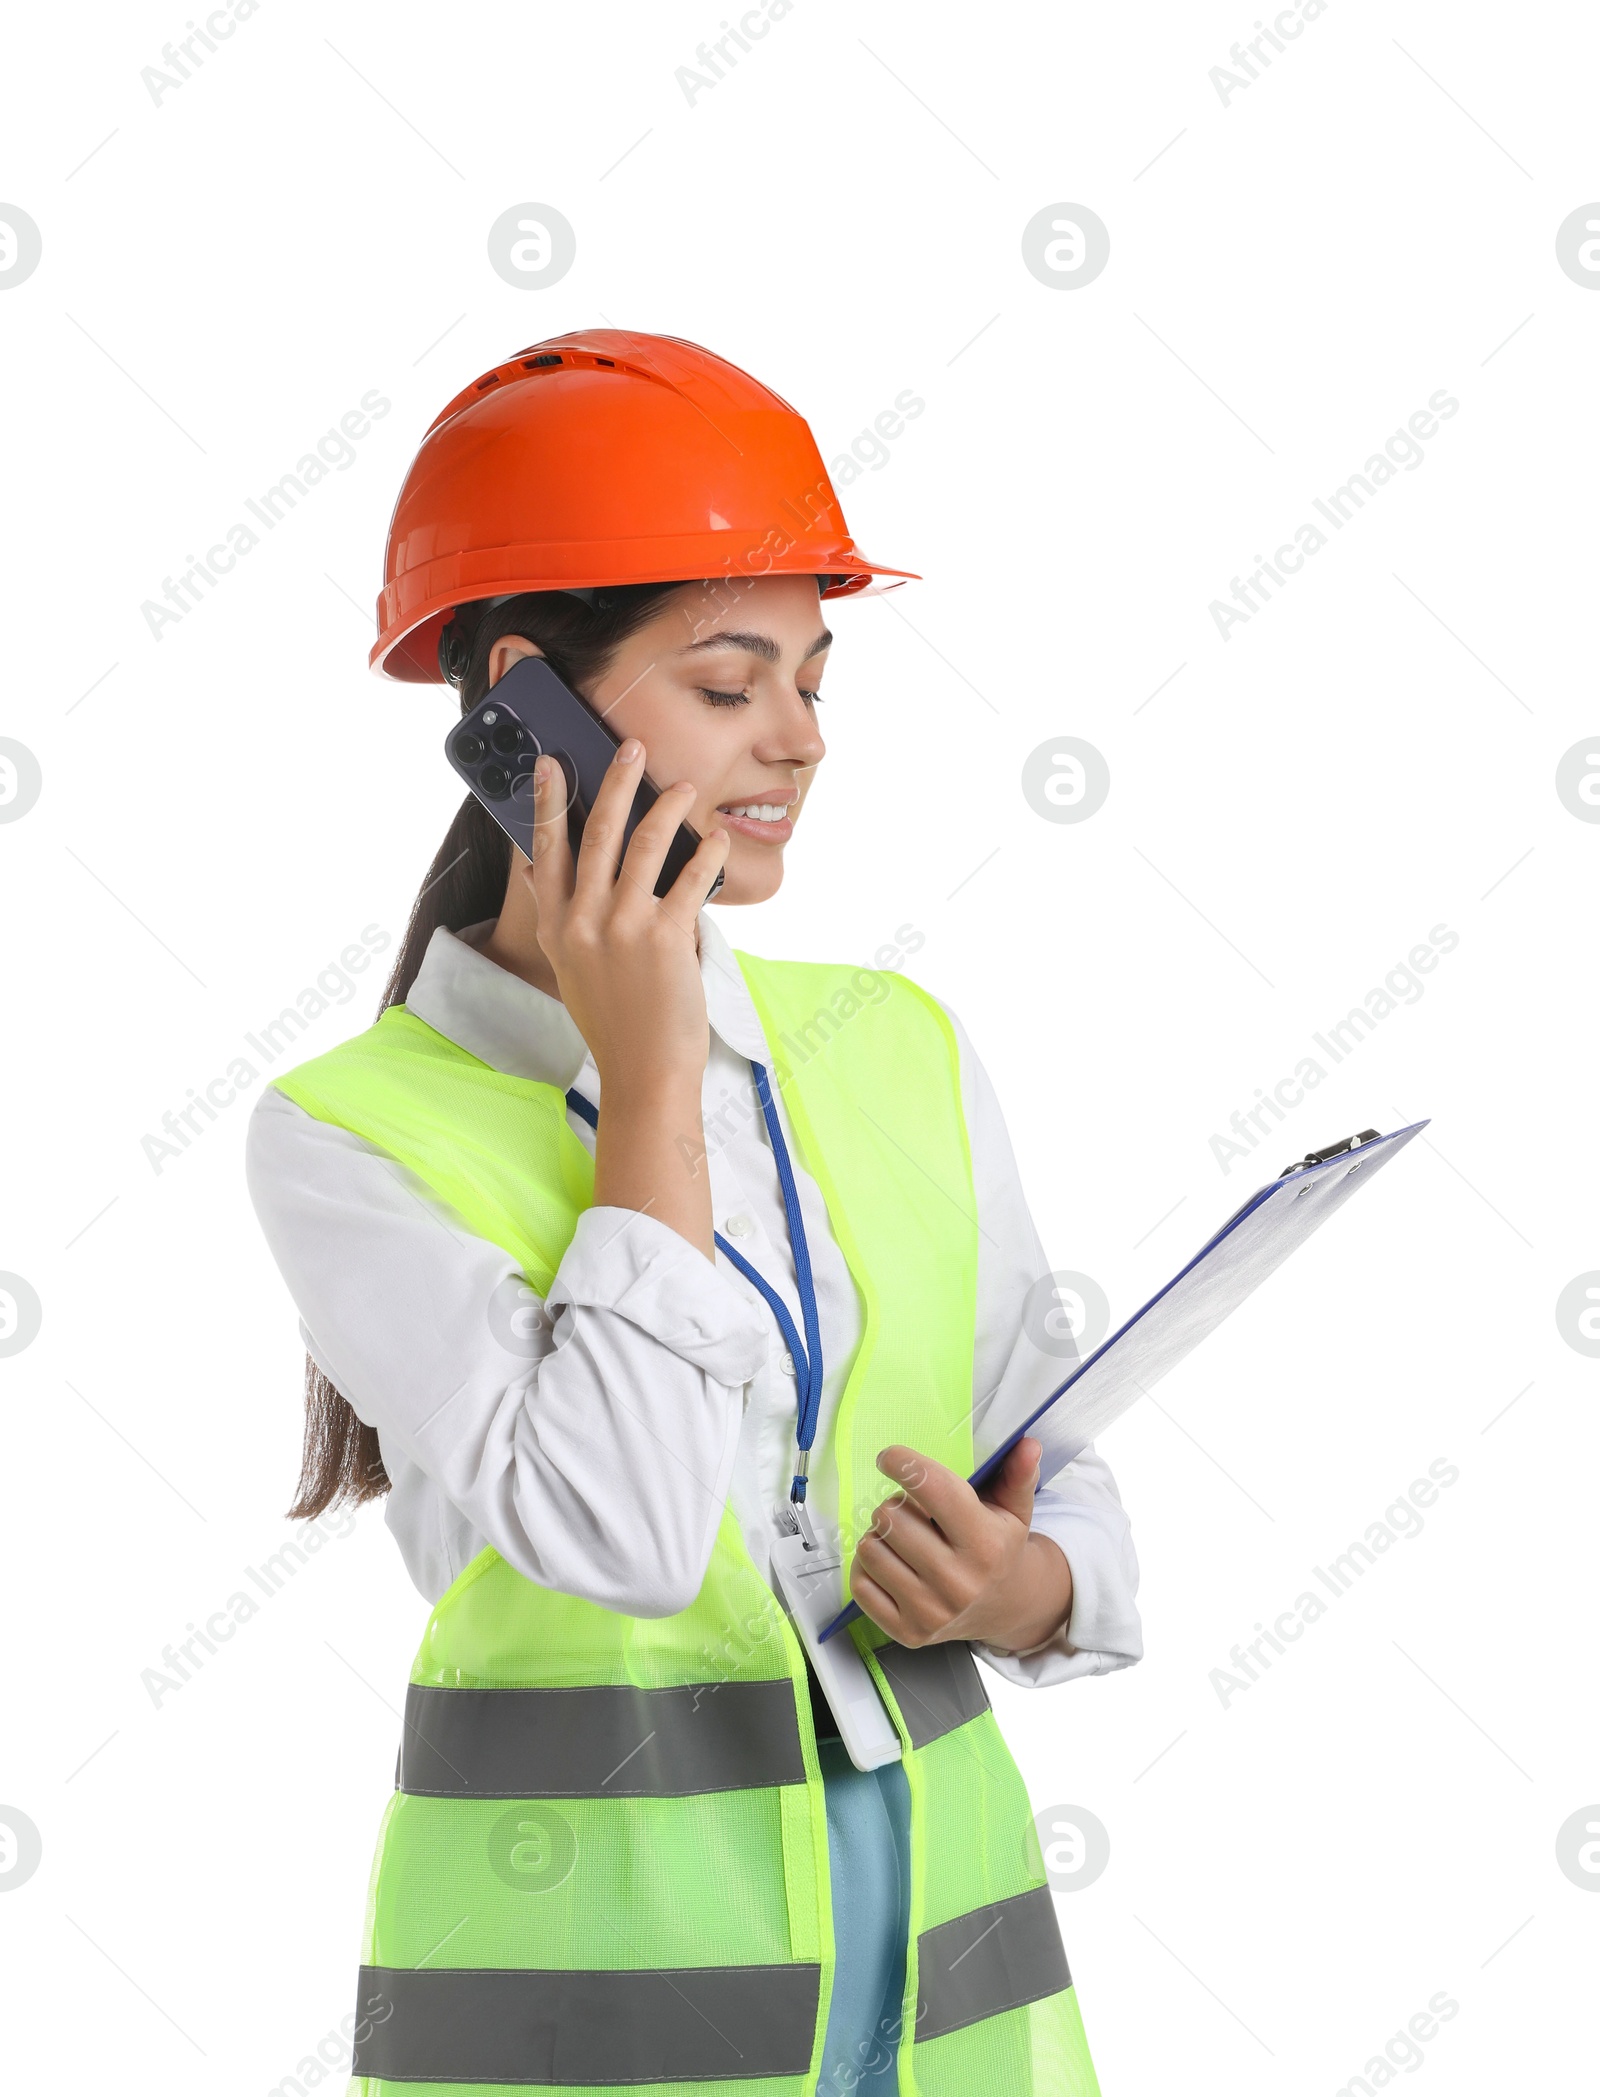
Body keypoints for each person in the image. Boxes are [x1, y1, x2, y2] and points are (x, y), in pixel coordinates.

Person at [246, 329, 1143, 2097]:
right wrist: (651, 1084)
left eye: (816, 676)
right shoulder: (352, 1139)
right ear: (525, 703)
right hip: (602, 2008)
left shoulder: (891, 1047)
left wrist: (1028, 1587)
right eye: (731, 685)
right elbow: (634, 1537)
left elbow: (1059, 1445)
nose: (802, 740)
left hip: (951, 1999)